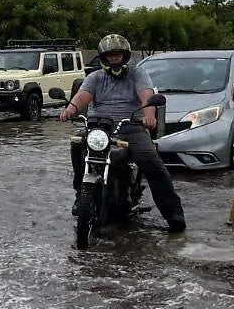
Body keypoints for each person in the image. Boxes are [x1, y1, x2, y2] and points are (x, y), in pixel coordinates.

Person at [59, 34, 186, 233]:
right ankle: (80, 194)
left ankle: (173, 214)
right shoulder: (95, 77)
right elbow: (82, 96)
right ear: (103, 57)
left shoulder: (138, 74)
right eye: (110, 55)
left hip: (131, 128)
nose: (114, 58)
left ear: (124, 56)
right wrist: (70, 109)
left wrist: (148, 115)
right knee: (77, 145)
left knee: (153, 164)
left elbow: (147, 96)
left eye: (117, 55)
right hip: (99, 129)